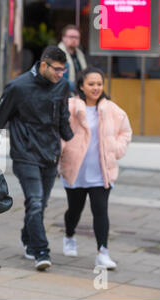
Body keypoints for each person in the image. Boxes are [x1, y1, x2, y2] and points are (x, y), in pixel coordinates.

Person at [0, 45, 74, 271]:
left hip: (50, 154)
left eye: (63, 70)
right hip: (25, 154)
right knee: (34, 202)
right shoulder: (18, 87)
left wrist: (70, 141)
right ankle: (41, 251)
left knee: (41, 204)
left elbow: (63, 118)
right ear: (43, 64)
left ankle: (28, 239)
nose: (59, 75)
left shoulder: (62, 86)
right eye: (56, 69)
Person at [59, 67, 132, 270]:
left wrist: (116, 149)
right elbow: (59, 130)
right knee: (74, 210)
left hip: (102, 172)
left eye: (99, 84)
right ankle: (69, 235)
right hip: (76, 170)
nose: (96, 88)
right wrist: (63, 151)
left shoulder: (112, 109)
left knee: (100, 211)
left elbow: (125, 132)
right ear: (81, 85)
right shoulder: (72, 106)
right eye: (91, 84)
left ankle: (102, 252)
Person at [58, 25, 87, 94]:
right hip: (64, 95)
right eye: (71, 37)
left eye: (76, 37)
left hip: (80, 93)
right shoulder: (57, 54)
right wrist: (77, 88)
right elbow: (59, 80)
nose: (74, 39)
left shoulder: (80, 54)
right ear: (63, 38)